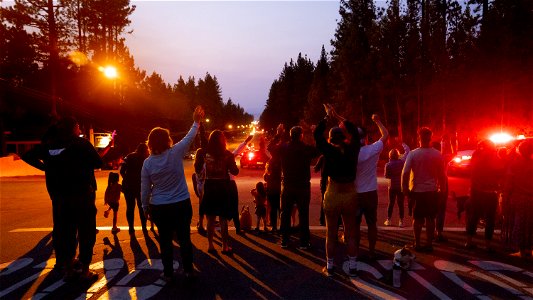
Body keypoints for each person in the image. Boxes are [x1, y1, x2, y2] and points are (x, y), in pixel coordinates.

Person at [22, 117, 103, 281]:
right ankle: (85, 270)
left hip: (59, 198)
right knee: (86, 232)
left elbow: (27, 155)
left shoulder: (50, 145)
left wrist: (46, 167)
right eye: (78, 126)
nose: (80, 129)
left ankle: (68, 269)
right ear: (73, 128)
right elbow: (97, 162)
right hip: (82, 196)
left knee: (64, 232)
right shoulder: (81, 144)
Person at [141, 106, 204, 281]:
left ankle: (168, 273)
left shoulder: (147, 163)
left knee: (165, 241)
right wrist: (196, 121)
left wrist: (145, 208)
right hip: (181, 204)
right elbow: (190, 137)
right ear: (167, 140)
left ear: (150, 142)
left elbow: (145, 189)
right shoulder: (175, 152)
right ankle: (188, 271)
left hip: (159, 207)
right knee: (184, 239)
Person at [314, 104, 361, 277]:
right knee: (350, 233)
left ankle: (331, 266)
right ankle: (353, 267)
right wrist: (339, 116)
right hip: (350, 192)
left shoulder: (328, 151)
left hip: (333, 192)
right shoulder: (353, 148)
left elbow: (317, 135)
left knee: (331, 232)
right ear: (344, 137)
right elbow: (355, 132)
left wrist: (327, 116)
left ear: (331, 138)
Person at [268, 124, 319, 249]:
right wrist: (315, 133)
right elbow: (319, 149)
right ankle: (304, 242)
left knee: (285, 214)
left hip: (288, 185)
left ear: (290, 135)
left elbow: (270, 147)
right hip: (303, 186)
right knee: (303, 214)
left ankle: (285, 240)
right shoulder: (306, 148)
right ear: (301, 136)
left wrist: (278, 134)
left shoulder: (284, 148)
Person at [401, 127, 447, 253]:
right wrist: (442, 190)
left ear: (419, 138)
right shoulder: (437, 154)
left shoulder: (413, 154)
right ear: (430, 138)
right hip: (432, 190)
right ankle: (429, 244)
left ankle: (417, 243)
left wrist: (404, 189)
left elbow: (405, 173)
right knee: (431, 218)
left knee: (417, 218)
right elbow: (442, 175)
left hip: (417, 191)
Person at [195, 130, 239, 254]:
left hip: (209, 186)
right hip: (223, 187)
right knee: (223, 219)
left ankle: (210, 245)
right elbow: (235, 171)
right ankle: (225, 246)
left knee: (210, 218)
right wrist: (234, 165)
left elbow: (198, 168)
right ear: (223, 141)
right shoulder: (228, 154)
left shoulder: (206, 153)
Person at [355, 114, 388, 260]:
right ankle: (372, 251)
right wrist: (377, 120)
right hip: (370, 192)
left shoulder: (351, 153)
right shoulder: (373, 149)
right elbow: (386, 135)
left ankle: (354, 251)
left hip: (355, 194)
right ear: (366, 138)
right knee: (371, 224)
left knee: (354, 225)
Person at [465, 139, 504, 252]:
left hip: (476, 190)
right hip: (489, 191)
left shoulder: (475, 155)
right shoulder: (493, 156)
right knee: (490, 218)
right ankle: (487, 244)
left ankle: (469, 241)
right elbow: (500, 171)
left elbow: (470, 170)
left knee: (473, 216)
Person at [503, 139, 533, 259]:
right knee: (531, 224)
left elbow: (509, 184)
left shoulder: (515, 164)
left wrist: (505, 200)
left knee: (520, 223)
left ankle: (521, 250)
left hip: (519, 197)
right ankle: (530, 249)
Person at [120, 142, 150, 234]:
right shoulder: (145, 159)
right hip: (140, 186)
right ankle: (144, 228)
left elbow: (122, 171)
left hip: (128, 186)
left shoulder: (129, 156)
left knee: (130, 208)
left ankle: (131, 228)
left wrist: (127, 179)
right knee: (142, 207)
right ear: (145, 150)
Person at [384, 140, 410, 227]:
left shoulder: (388, 165)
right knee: (400, 204)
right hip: (400, 186)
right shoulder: (402, 162)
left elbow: (386, 176)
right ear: (398, 154)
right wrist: (403, 143)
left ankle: (388, 219)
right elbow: (408, 151)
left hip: (392, 187)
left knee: (391, 203)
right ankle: (401, 221)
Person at [432, 141, 449, 242]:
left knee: (431, 210)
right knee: (441, 210)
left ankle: (432, 232)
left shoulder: (428, 157)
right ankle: (438, 232)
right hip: (441, 183)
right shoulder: (443, 157)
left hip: (430, 184)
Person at [314, 155, 327, 226]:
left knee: (324, 201)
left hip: (325, 182)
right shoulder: (337, 154)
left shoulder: (323, 157)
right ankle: (339, 220)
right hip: (334, 182)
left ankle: (322, 220)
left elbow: (316, 169)